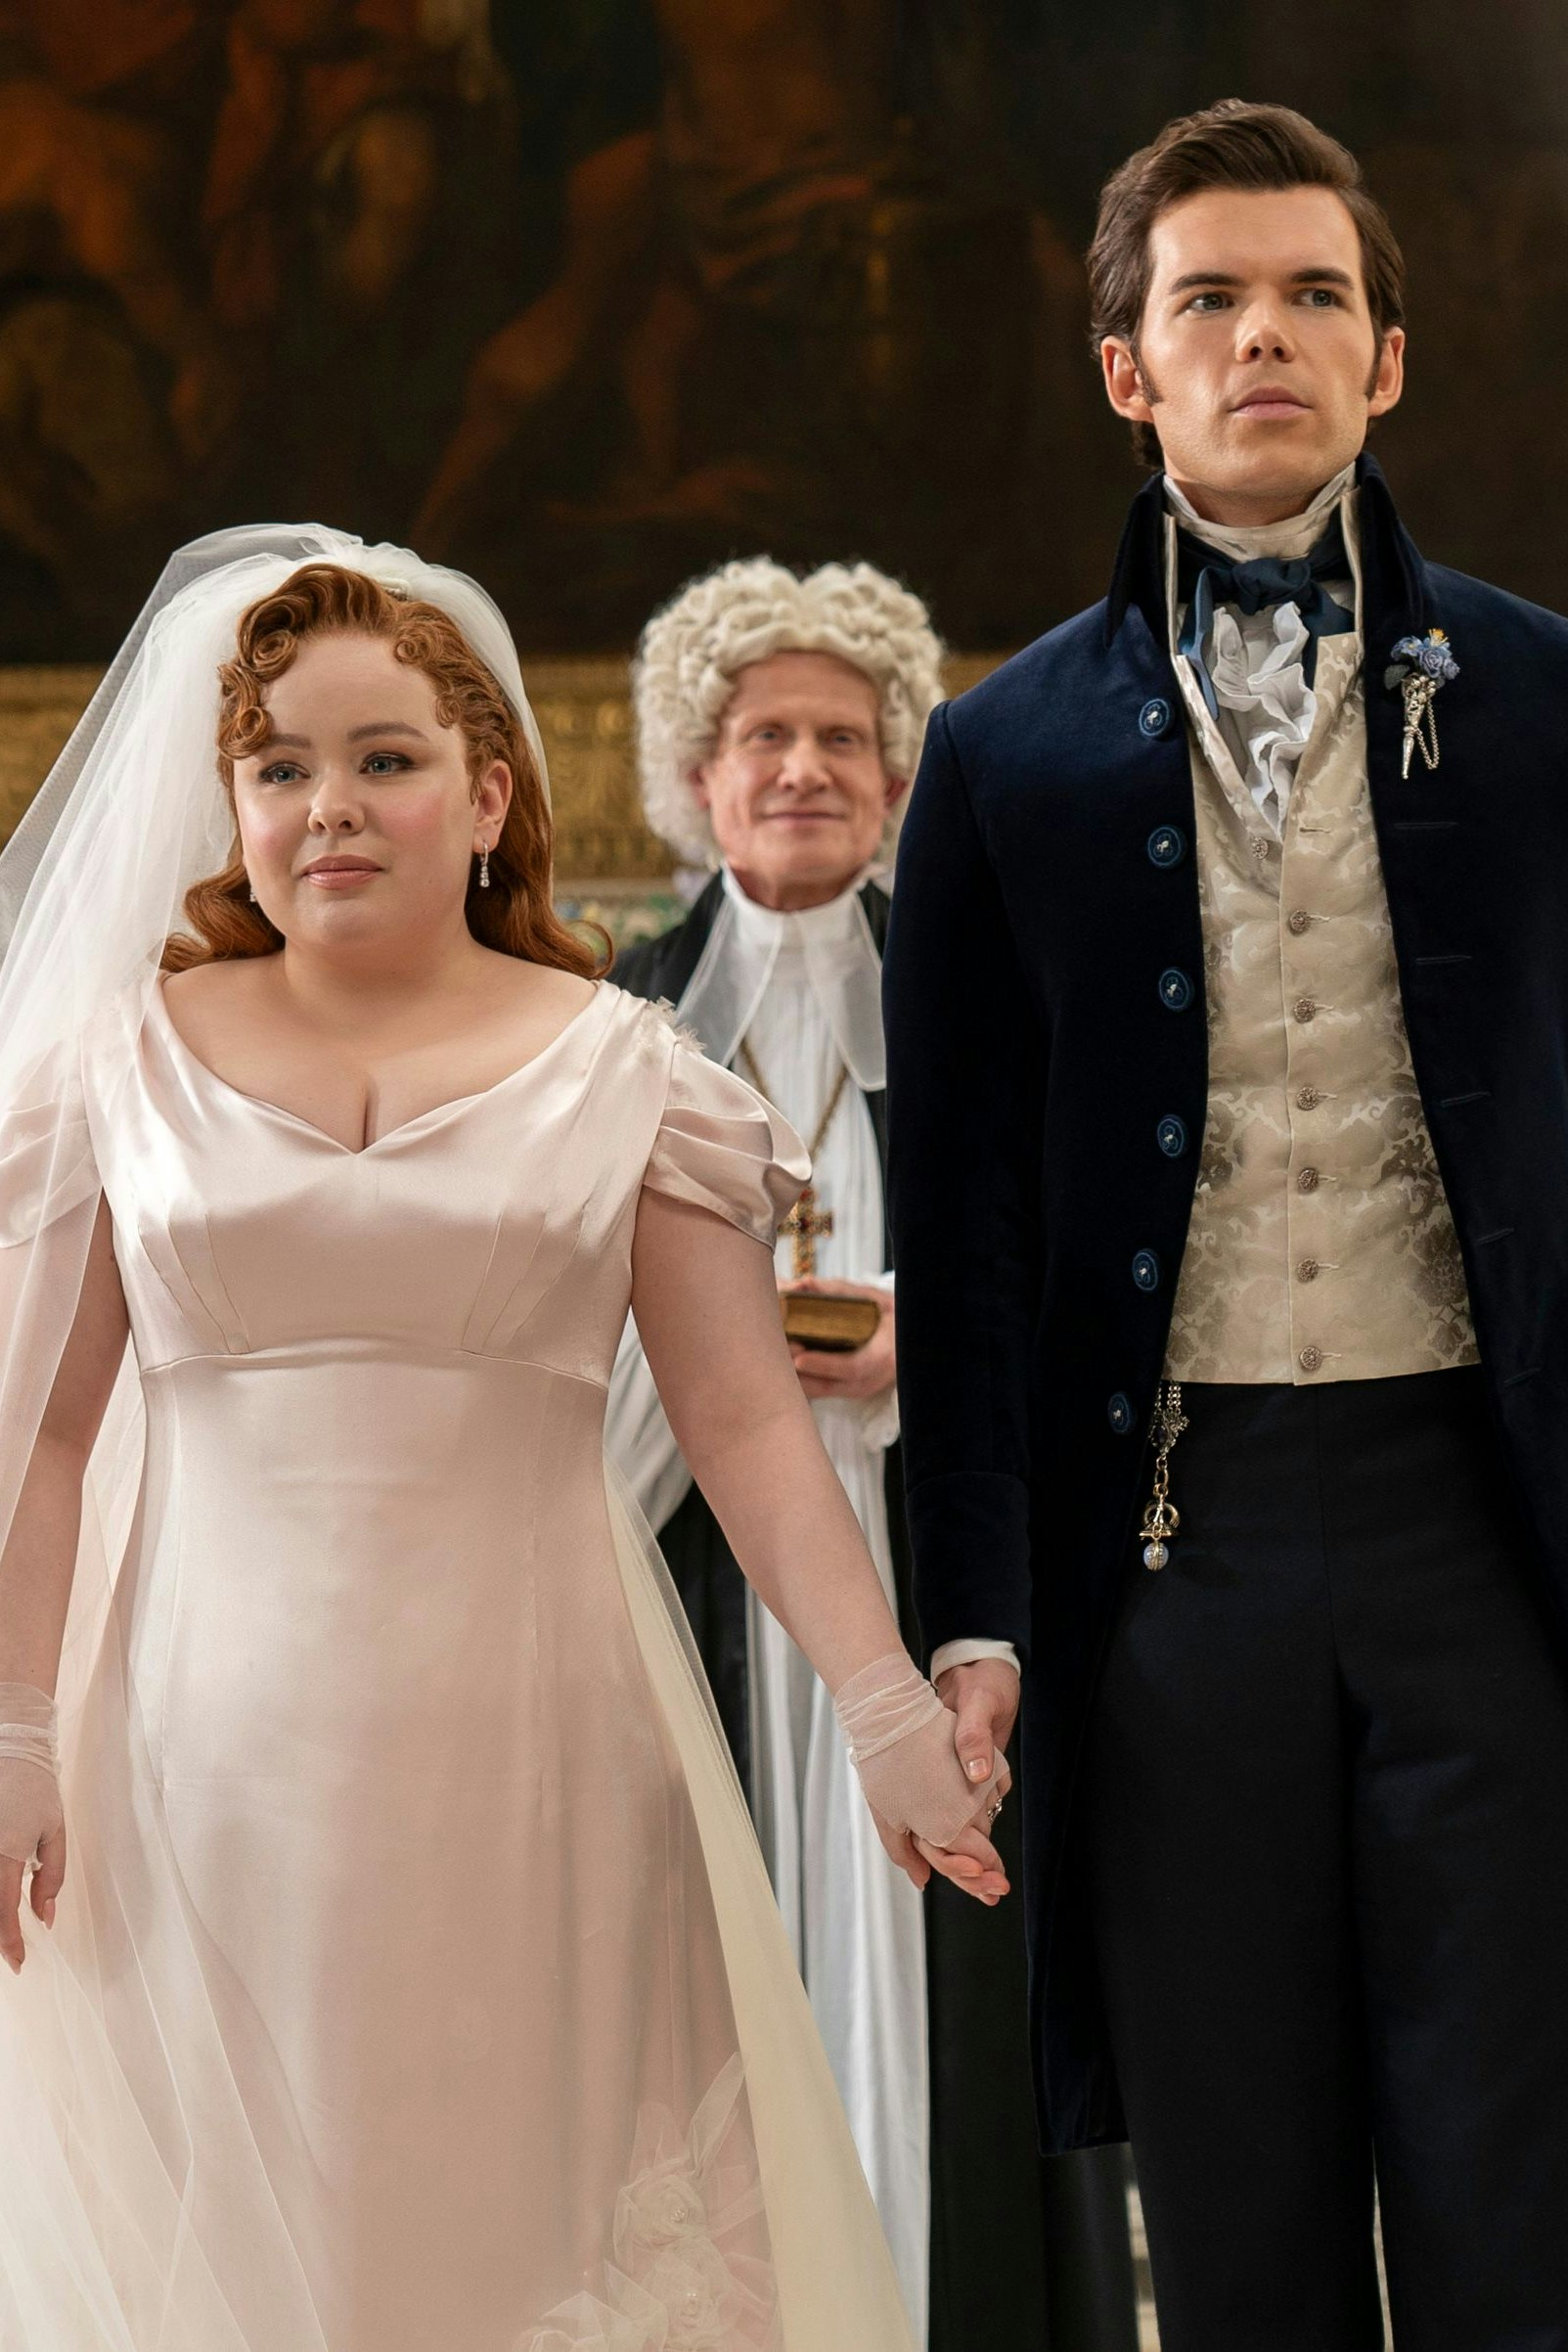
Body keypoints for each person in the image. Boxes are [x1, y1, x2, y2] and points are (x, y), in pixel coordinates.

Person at [0, 524, 1009, 2351]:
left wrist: (884, 1712)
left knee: (506, 2236)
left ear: (486, 797)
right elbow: (45, 1441)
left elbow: (746, 1429)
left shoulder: (637, 1075)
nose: (329, 805)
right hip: (183, 1764)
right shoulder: (112, 1069)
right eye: (279, 768)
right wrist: (10, 1734)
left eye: (384, 759)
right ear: (233, 807)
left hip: (544, 1767)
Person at [883, 96, 1568, 2352]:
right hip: (1178, 1555)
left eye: (1311, 295)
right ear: (1127, 367)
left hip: (1488, 1528)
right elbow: (963, 1227)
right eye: (1208, 299)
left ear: (1388, 360)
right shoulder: (997, 754)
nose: (1261, 333)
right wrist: (971, 1608)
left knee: (1520, 2192)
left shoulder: (1547, 697)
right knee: (1238, 2208)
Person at [607, 557, 1140, 2352]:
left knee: (959, 1978)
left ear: (902, 777)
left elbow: (1105, 1266)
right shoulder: (611, 1017)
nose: (804, 769)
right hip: (702, 1568)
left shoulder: (990, 990)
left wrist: (946, 1343)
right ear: (697, 775)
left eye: (845, 738)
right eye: (764, 736)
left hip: (944, 1559)